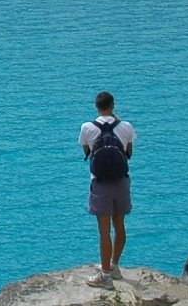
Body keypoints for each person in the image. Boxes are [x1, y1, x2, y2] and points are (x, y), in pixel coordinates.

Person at [80, 91, 135, 285]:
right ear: (114, 105)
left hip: (100, 183)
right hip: (121, 181)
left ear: (96, 106)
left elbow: (87, 152)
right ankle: (115, 266)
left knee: (104, 231)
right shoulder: (126, 126)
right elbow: (129, 153)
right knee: (119, 226)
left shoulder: (87, 127)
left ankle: (104, 275)